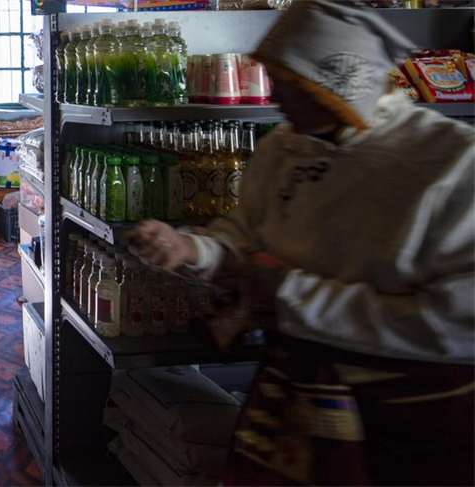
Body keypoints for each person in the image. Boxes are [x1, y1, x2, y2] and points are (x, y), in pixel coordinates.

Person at [128, 1, 474, 485]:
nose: (275, 94)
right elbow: (243, 230)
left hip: (412, 415)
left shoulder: (449, 160)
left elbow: (461, 319)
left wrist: (292, 295)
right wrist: (190, 249)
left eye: (291, 83)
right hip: (296, 393)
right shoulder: (285, 147)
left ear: (334, 87)